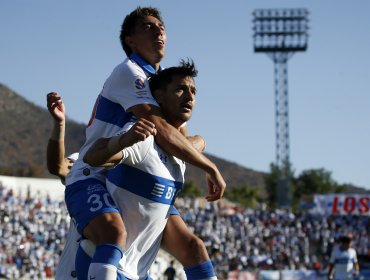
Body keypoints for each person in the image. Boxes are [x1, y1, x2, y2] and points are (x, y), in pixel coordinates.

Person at [55, 6, 224, 280]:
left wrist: (197, 141)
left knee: (194, 248)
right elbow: (160, 128)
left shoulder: (163, 79)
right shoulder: (130, 72)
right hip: (92, 174)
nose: (159, 31)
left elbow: (177, 136)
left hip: (133, 175)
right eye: (148, 27)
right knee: (113, 233)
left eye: (162, 27)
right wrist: (209, 166)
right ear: (130, 41)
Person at [84, 59, 220, 279]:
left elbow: (187, 145)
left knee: (195, 248)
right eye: (180, 89)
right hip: (110, 267)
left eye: (193, 91)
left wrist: (200, 142)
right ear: (158, 96)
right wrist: (122, 141)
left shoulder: (180, 148)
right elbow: (93, 156)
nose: (190, 96)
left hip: (139, 272)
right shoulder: (146, 137)